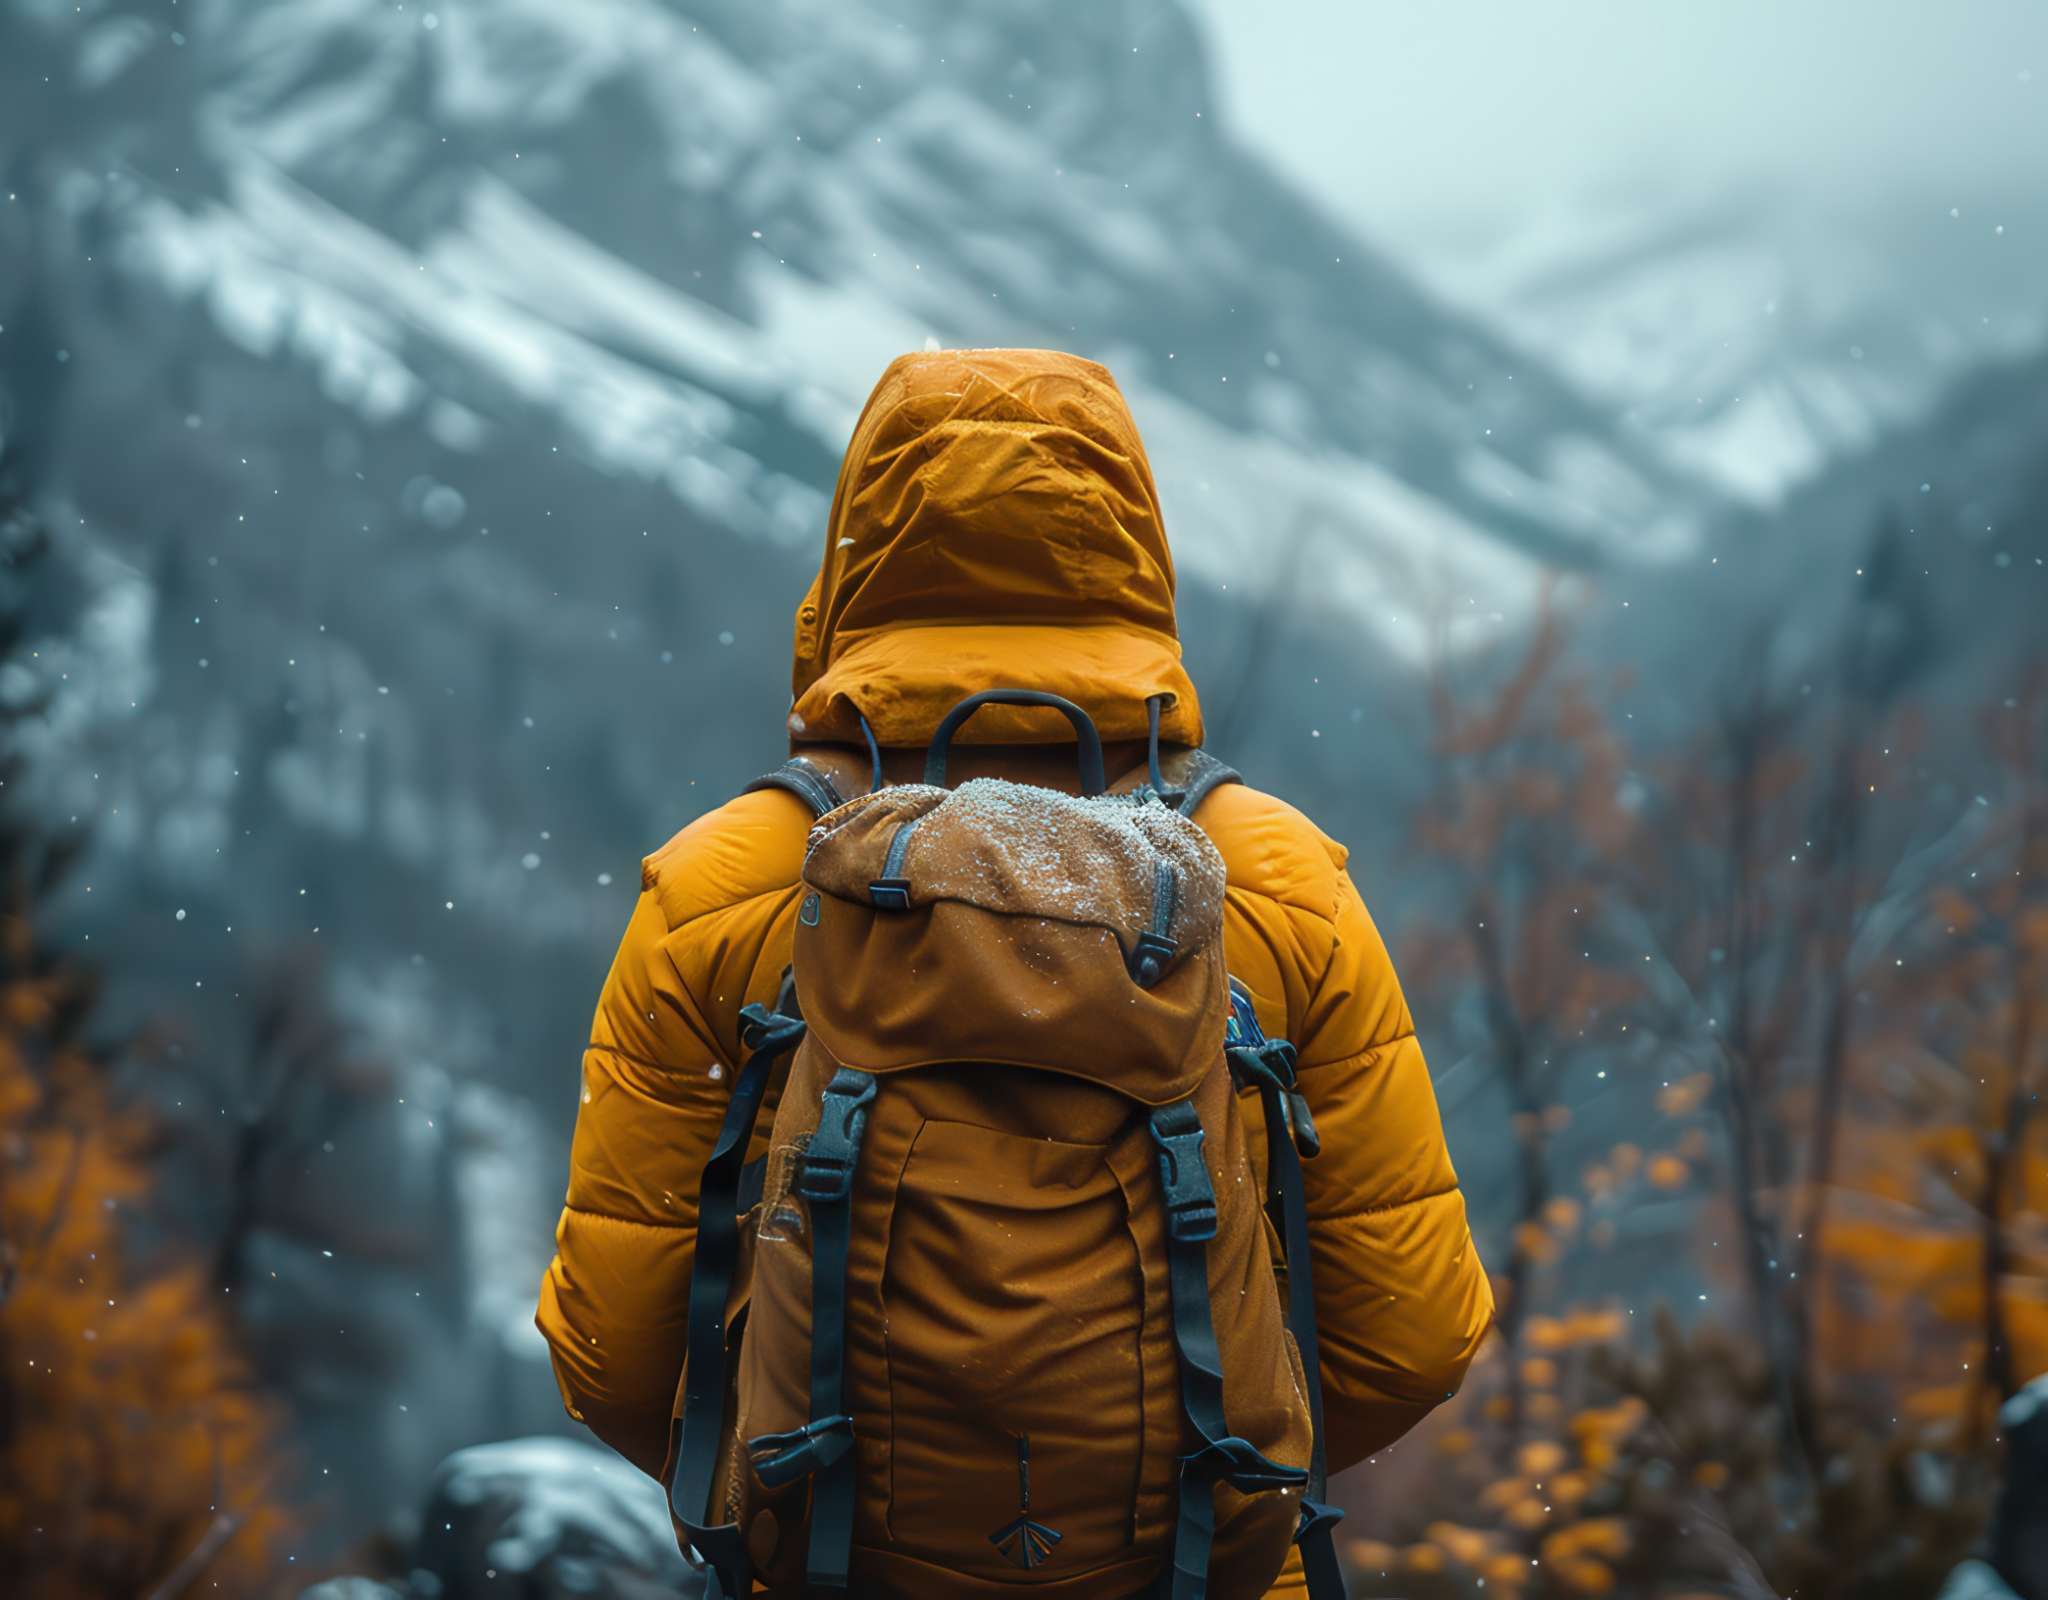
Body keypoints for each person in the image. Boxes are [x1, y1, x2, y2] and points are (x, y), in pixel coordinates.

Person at [536, 347, 1493, 1597]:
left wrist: (805, 1466)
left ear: (848, 567)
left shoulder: (724, 884)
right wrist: (1202, 1470)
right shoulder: (1270, 878)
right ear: (1137, 559)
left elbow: (615, 1353)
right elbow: (1411, 1336)